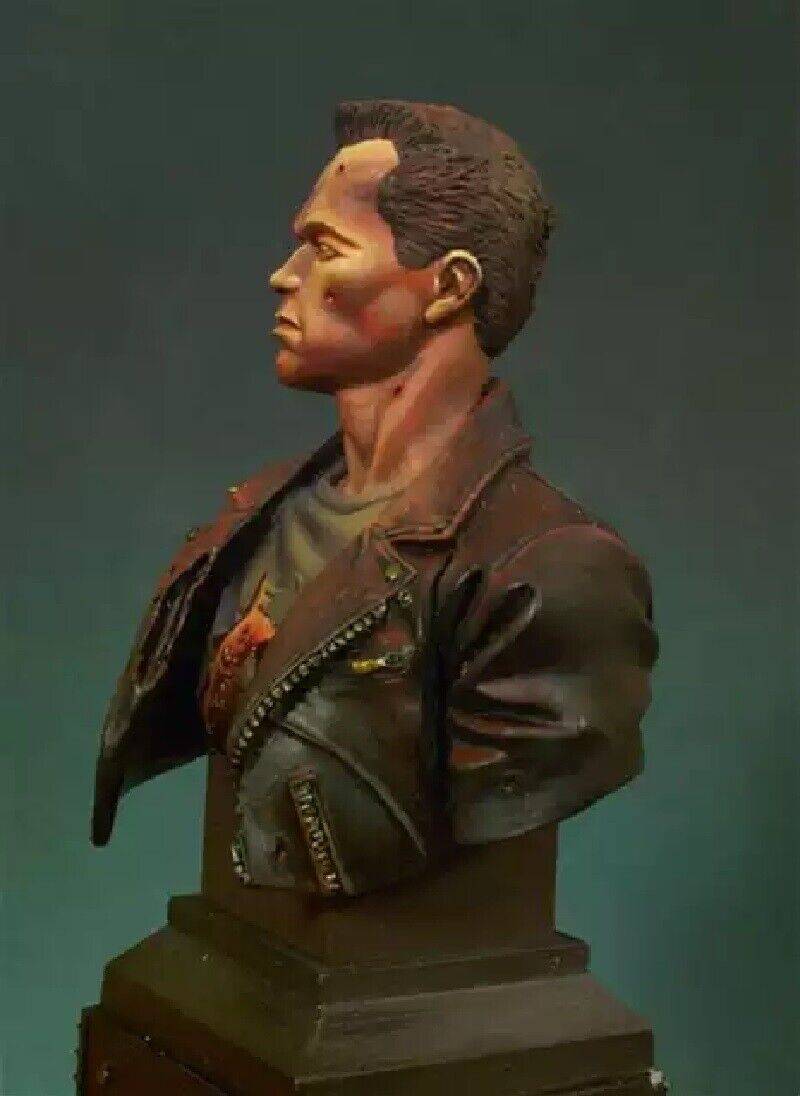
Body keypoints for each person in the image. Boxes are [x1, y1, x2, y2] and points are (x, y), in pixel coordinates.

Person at [92, 100, 657, 897]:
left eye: (326, 247)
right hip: (250, 943)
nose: (285, 275)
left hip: (404, 957)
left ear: (449, 287)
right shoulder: (257, 515)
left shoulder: (551, 571)